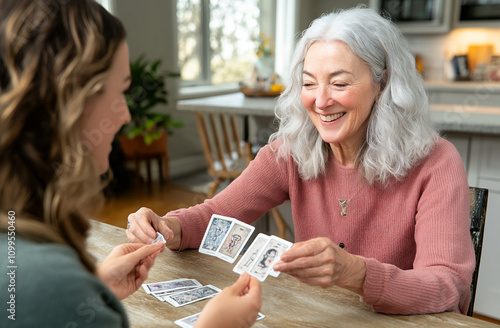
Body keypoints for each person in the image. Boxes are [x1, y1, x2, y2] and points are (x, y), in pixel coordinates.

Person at [127, 6, 476, 316]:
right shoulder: (290, 151)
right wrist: (168, 227)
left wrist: (355, 273)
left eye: (339, 83)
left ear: (382, 84)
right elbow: (214, 216)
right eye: (309, 83)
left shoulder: (436, 162)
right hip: (317, 317)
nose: (321, 101)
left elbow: (447, 285)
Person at [0, 1, 261, 327]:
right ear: (72, 102)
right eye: (120, 91)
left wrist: (93, 291)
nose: (126, 114)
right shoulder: (47, 280)